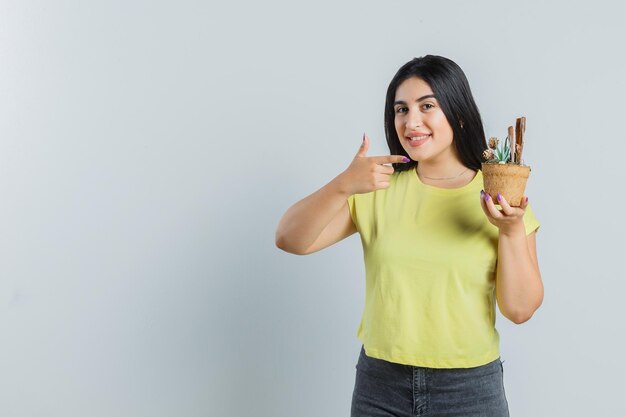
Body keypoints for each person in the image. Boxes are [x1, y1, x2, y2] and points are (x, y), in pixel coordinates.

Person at [275, 54, 543, 417]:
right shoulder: (377, 188)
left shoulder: (499, 195)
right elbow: (289, 238)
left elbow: (520, 309)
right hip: (380, 385)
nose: (411, 122)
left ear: (459, 114)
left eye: (426, 106)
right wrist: (342, 185)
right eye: (401, 110)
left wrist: (511, 230)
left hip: (469, 391)